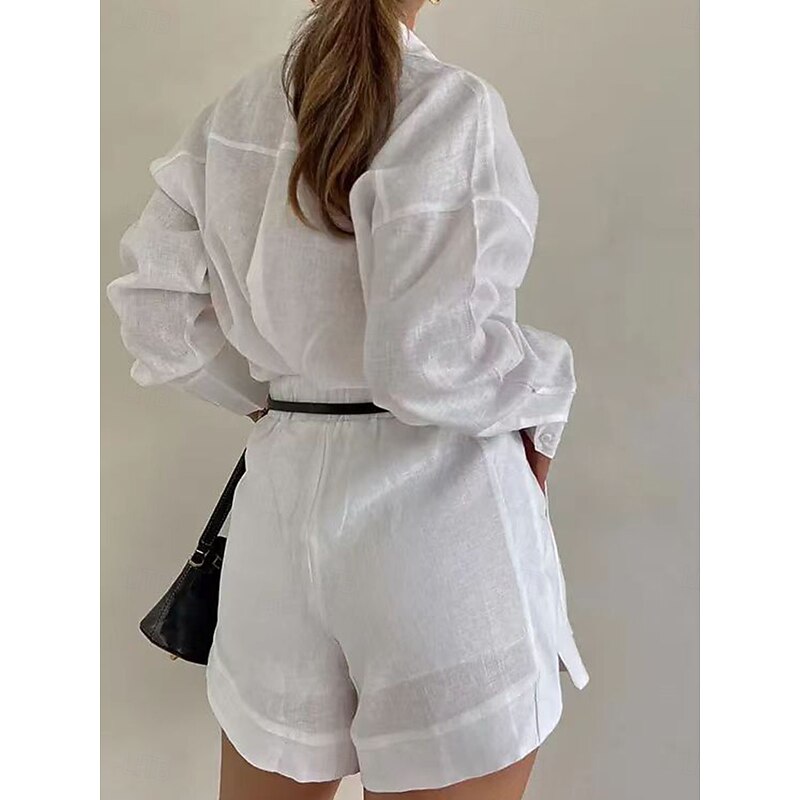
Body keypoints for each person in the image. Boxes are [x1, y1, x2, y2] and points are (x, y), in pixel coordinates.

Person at [106, 1, 589, 798]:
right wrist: (547, 385)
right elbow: (426, 360)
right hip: (441, 526)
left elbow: (155, 314)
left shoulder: (233, 117)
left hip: (277, 526)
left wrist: (283, 401)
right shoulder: (449, 106)